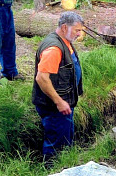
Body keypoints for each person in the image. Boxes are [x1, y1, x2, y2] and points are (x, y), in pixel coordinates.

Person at [32, 11, 84, 166]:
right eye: (76, 30)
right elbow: (41, 78)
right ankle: (51, 168)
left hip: (65, 103)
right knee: (55, 143)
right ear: (63, 28)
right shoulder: (54, 48)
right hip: (55, 107)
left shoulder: (65, 40)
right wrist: (59, 102)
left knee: (65, 138)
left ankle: (66, 165)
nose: (79, 34)